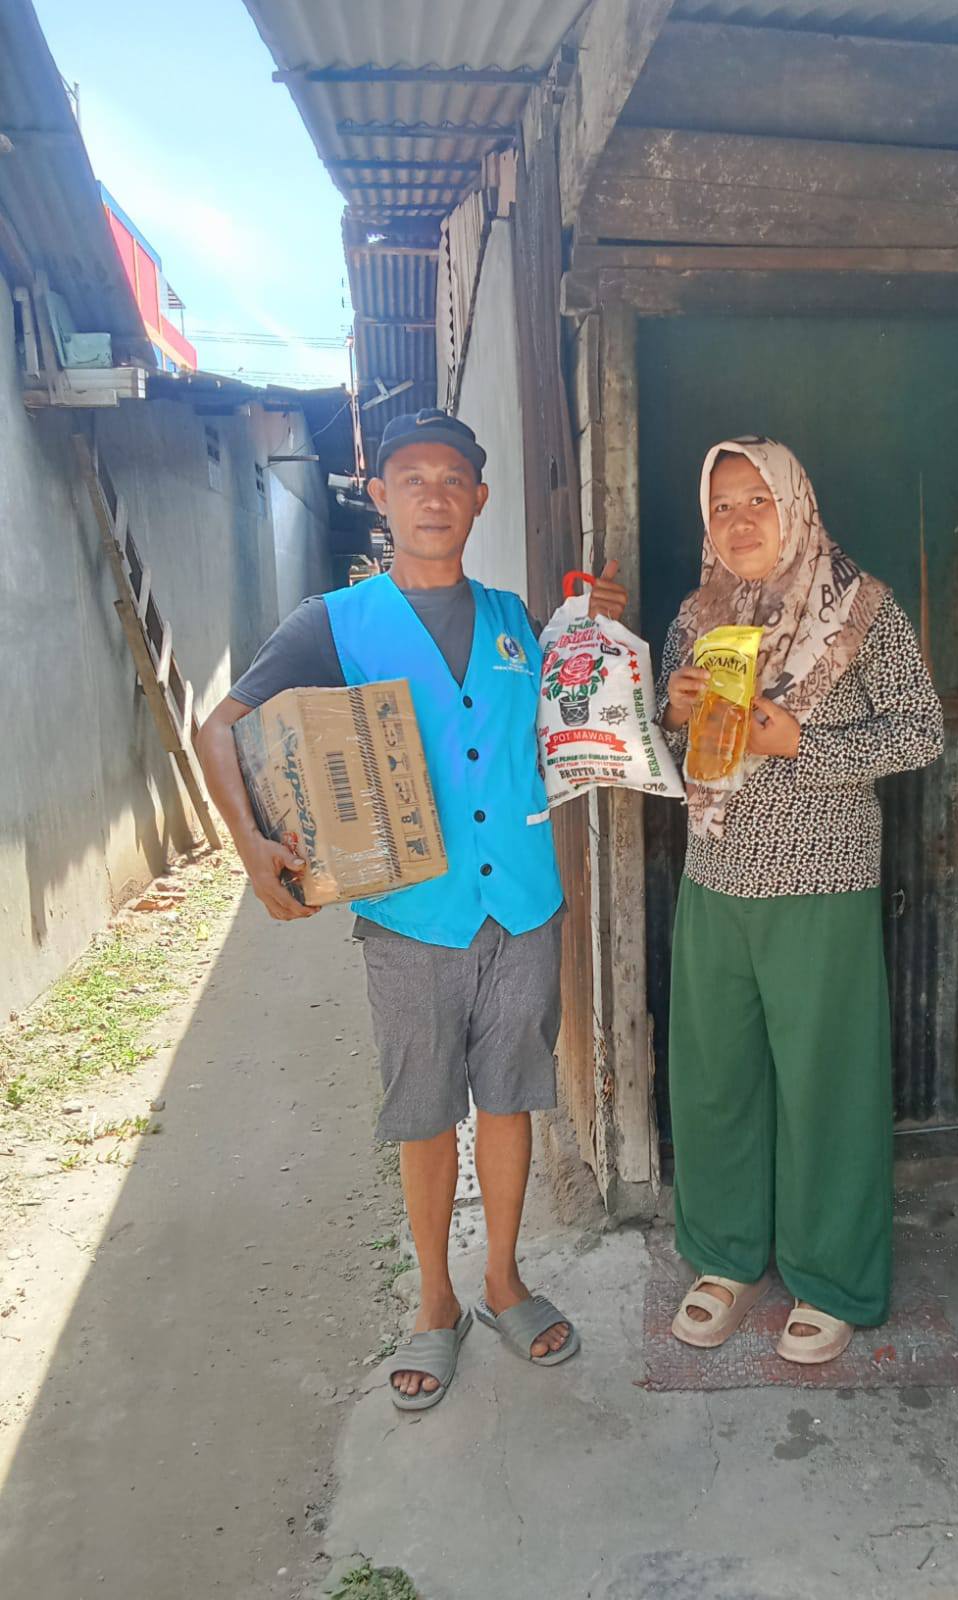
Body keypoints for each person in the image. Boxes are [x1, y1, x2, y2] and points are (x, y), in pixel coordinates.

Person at [197, 409, 627, 1411]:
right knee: (427, 1114)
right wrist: (254, 849)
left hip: (523, 905)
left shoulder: (519, 620)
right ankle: (436, 1301)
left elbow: (581, 714)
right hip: (410, 918)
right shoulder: (333, 622)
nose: (435, 494)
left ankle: (503, 1280)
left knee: (510, 1100)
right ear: (381, 497)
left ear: (480, 499)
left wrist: (597, 623)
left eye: (453, 479)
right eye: (412, 478)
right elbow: (219, 728)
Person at [657, 436, 942, 1365]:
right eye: (722, 507)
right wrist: (672, 711)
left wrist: (801, 747)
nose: (740, 522)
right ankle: (725, 1256)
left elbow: (921, 731)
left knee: (826, 1081)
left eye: (758, 500)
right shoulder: (698, 614)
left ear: (796, 503)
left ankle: (830, 1277)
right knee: (716, 1074)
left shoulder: (862, 609)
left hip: (821, 877)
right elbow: (667, 749)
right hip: (715, 875)